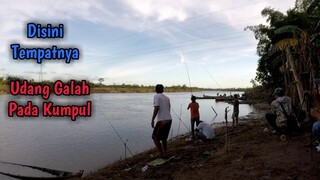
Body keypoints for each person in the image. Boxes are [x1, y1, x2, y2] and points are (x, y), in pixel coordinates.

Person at [151, 84, 172, 157]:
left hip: (162, 120)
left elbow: (156, 108)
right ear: (163, 89)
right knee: (164, 138)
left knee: (155, 138)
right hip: (169, 119)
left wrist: (152, 119)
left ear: (156, 90)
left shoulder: (156, 96)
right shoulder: (167, 98)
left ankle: (161, 154)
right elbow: (168, 108)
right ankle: (165, 152)